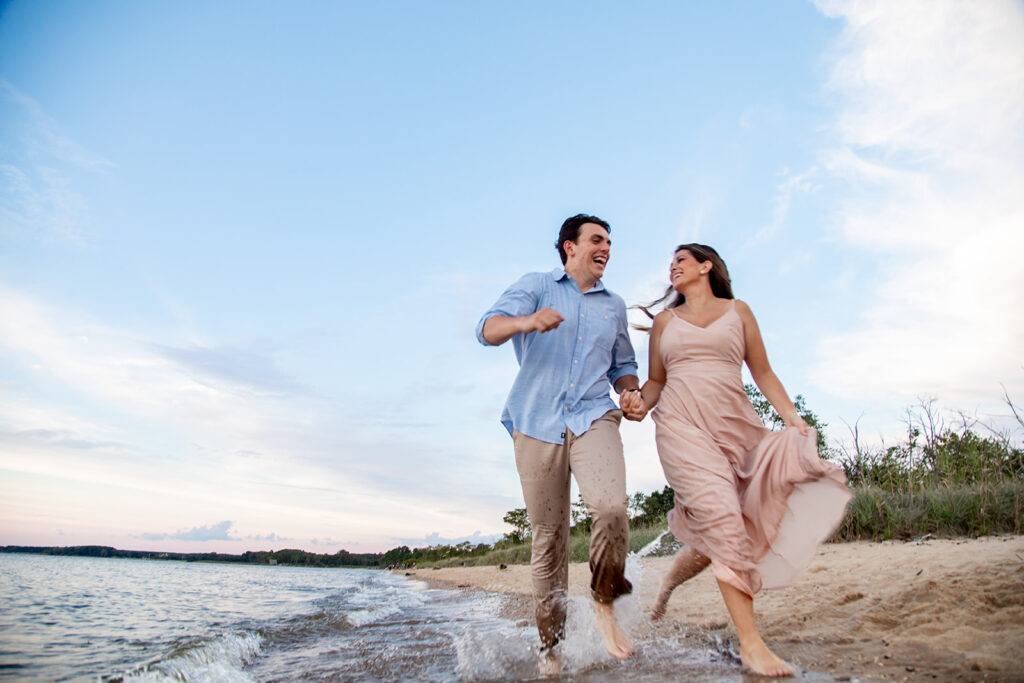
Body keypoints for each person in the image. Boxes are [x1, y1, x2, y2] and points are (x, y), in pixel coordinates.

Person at [629, 244, 851, 677]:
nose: (672, 267)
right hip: (680, 427)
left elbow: (762, 372)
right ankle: (752, 645)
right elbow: (656, 381)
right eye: (670, 263)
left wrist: (793, 418)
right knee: (722, 516)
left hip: (735, 428)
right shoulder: (664, 322)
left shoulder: (739, 312)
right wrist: (637, 403)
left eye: (682, 260)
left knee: (726, 526)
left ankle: (666, 587)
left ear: (706, 266)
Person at [475, 214, 647, 674]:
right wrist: (527, 321)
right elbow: (487, 329)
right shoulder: (538, 285)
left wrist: (630, 391)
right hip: (536, 422)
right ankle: (550, 647)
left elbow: (623, 364)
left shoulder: (614, 305)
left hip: (594, 415)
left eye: (609, 241)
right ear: (569, 247)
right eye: (596, 239)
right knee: (548, 540)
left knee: (610, 509)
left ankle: (605, 601)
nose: (606, 247)